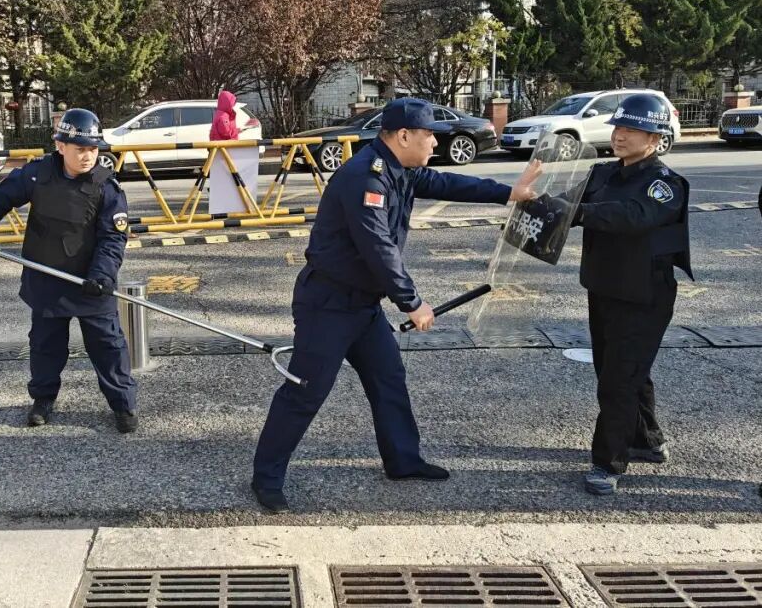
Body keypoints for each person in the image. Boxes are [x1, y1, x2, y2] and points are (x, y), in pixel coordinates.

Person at [250, 97, 542, 513]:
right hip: (328, 305)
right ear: (404, 136)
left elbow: (445, 184)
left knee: (388, 378)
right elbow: (378, 247)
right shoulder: (365, 178)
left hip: (363, 305)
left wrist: (509, 193)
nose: (435, 144)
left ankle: (403, 461)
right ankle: (266, 478)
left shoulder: (398, 168)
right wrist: (412, 303)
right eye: (429, 136)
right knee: (305, 391)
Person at [0, 108, 139, 433]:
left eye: (93, 149)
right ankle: (42, 400)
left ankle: (123, 404)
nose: (88, 156)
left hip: (91, 282)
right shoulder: (38, 174)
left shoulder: (106, 187)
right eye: (80, 149)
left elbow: (113, 238)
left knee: (108, 346)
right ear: (60, 146)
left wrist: (102, 276)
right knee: (45, 346)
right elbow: (0, 197)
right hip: (46, 276)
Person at [571, 93, 691, 496]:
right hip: (605, 286)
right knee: (619, 370)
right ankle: (647, 440)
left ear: (654, 138)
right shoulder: (603, 173)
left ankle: (609, 462)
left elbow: (632, 217)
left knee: (619, 379)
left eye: (631, 130)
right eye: (618, 128)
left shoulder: (665, 184)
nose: (619, 136)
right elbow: (571, 204)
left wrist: (581, 213)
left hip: (644, 295)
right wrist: (540, 210)